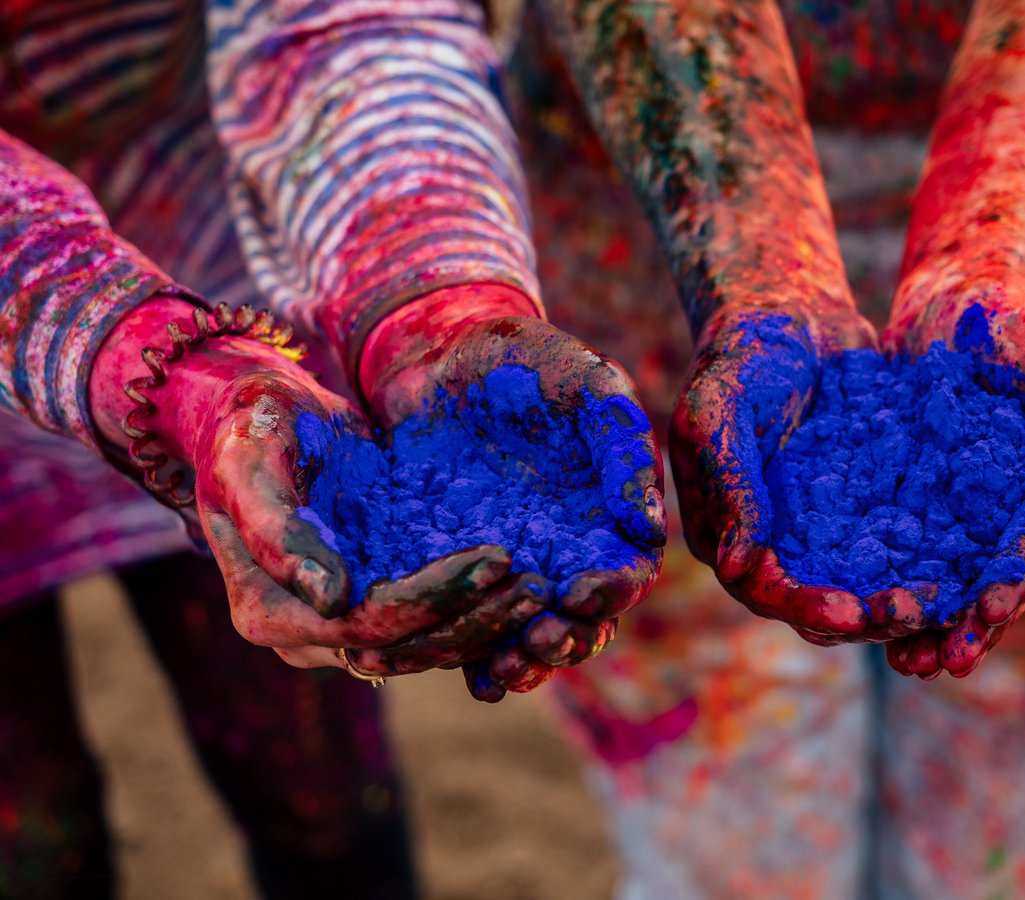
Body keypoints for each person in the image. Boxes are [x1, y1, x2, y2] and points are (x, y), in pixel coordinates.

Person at [506, 0, 1025, 895]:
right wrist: (758, 272)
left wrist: (991, 258)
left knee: (1023, 765)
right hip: (657, 235)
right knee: (725, 789)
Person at [0, 0, 661, 896]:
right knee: (30, 834)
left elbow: (352, 22)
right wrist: (156, 371)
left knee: (309, 775)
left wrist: (433, 301)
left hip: (209, 252)